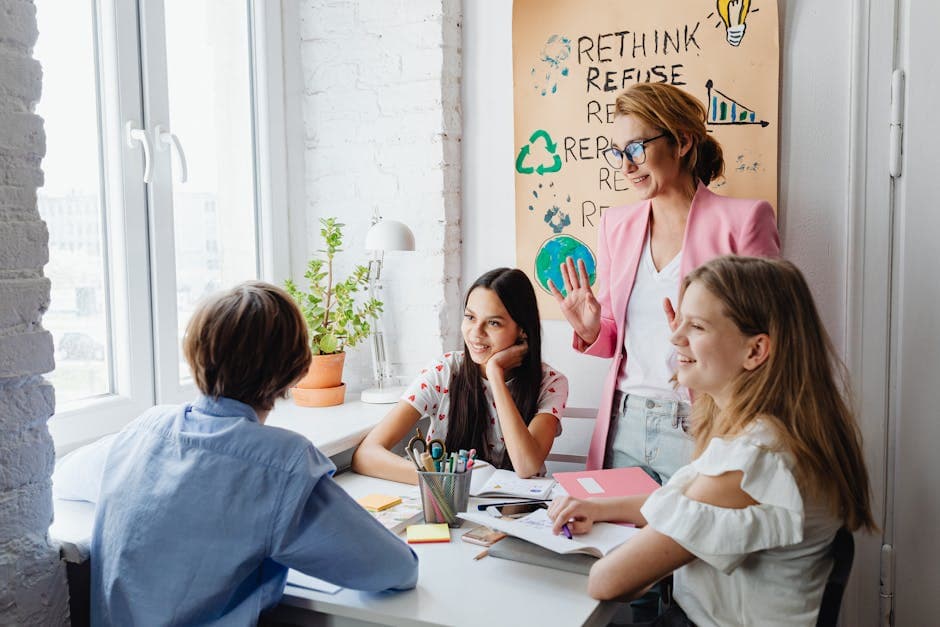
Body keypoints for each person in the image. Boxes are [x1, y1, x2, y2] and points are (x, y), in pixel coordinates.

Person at [547, 256, 876, 626]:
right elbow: (693, 502)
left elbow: (608, 581)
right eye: (679, 320)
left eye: (697, 326)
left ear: (755, 351)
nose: (675, 337)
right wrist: (601, 507)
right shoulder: (777, 432)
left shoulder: (752, 459)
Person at [88, 282, 419, 626]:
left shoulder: (142, 429)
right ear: (298, 370)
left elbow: (69, 480)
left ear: (194, 353)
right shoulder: (281, 464)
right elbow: (396, 569)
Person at [549, 82, 780, 484]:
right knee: (613, 544)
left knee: (694, 545)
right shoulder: (615, 226)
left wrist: (706, 334)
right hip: (624, 422)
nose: (626, 165)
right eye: (618, 153)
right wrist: (590, 330)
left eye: (636, 149)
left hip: (703, 424)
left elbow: (769, 337)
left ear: (683, 141)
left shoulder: (744, 222)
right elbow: (616, 336)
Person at [352, 267, 568, 483]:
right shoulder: (444, 371)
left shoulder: (550, 382)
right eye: (470, 317)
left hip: (519, 512)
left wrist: (495, 374)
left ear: (522, 330)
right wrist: (443, 480)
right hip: (451, 501)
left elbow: (527, 466)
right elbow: (366, 455)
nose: (476, 332)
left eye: (493, 323)